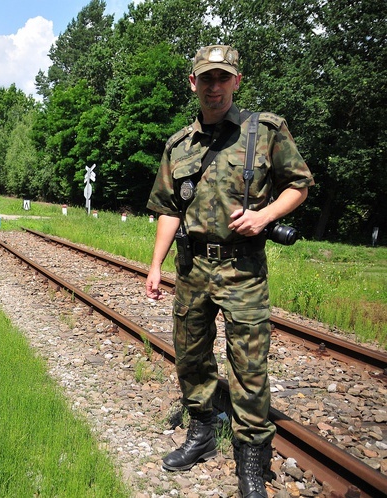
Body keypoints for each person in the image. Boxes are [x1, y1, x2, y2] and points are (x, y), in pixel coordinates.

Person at [144, 45, 313, 498]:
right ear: (193, 83)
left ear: (236, 81)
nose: (214, 87)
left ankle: (250, 463)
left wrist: (265, 217)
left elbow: (299, 183)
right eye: (206, 78)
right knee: (191, 357)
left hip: (243, 269)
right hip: (192, 266)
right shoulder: (179, 145)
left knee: (249, 368)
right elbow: (168, 209)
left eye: (223, 78)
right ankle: (200, 435)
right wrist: (156, 265)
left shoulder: (266, 131)